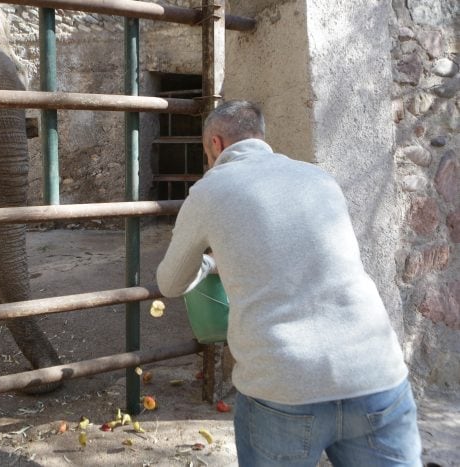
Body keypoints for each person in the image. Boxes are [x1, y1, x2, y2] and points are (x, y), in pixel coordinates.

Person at [156, 100, 422, 466]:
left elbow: (170, 282)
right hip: (377, 373)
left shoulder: (210, 190)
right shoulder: (318, 177)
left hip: (284, 385)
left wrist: (205, 263)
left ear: (215, 144)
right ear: (261, 136)